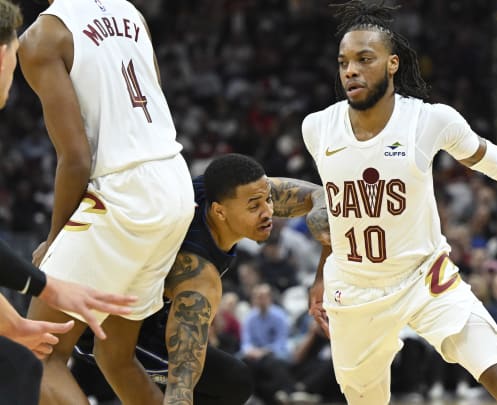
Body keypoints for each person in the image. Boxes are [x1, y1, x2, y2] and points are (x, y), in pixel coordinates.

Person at [303, 2, 497, 403]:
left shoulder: (429, 120)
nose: (350, 70)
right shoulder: (317, 127)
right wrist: (323, 274)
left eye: (363, 59)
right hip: (354, 290)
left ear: (392, 64)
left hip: (426, 278)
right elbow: (336, 214)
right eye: (343, 63)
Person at [19, 1, 197, 403]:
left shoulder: (43, 37)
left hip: (122, 193)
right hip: (173, 180)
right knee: (115, 355)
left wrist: (54, 240)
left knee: (37, 354)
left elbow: (76, 157)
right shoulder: (130, 12)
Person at [72, 153, 329, 405]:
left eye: (268, 201)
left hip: (133, 300)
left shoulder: (219, 188)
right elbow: (180, 386)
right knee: (226, 382)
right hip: (98, 324)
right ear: (219, 212)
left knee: (232, 380)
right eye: (254, 206)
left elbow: (318, 195)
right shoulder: (198, 278)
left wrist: (320, 272)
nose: (267, 213)